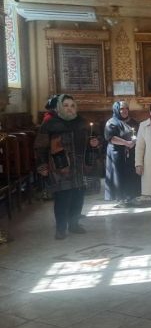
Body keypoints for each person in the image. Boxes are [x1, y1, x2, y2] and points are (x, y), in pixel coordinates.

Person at [34, 94, 101, 240]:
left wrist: (95, 143)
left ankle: (74, 224)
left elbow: (94, 140)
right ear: (59, 107)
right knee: (62, 198)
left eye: (72, 106)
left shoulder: (82, 122)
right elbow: (40, 146)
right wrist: (42, 165)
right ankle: (61, 228)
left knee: (78, 196)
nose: (69, 109)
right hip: (60, 166)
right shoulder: (50, 123)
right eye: (66, 105)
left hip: (80, 165)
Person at [104, 101, 140, 206]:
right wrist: (126, 143)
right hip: (117, 153)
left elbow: (138, 134)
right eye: (121, 109)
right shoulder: (111, 122)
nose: (124, 111)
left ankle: (131, 196)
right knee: (118, 175)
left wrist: (134, 142)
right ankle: (120, 198)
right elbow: (111, 138)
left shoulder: (132, 121)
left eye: (126, 108)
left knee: (131, 174)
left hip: (131, 152)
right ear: (116, 110)